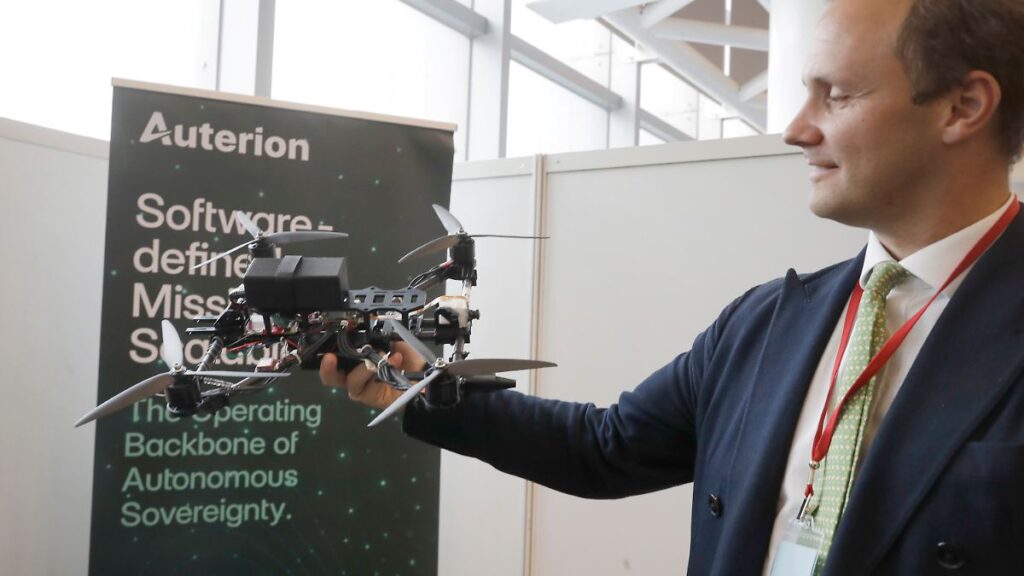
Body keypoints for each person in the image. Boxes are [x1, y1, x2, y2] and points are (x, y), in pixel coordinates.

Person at [321, 0, 1024, 573]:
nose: (796, 129)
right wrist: (420, 387)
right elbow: (603, 447)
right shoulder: (766, 323)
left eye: (835, 96)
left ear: (963, 106)